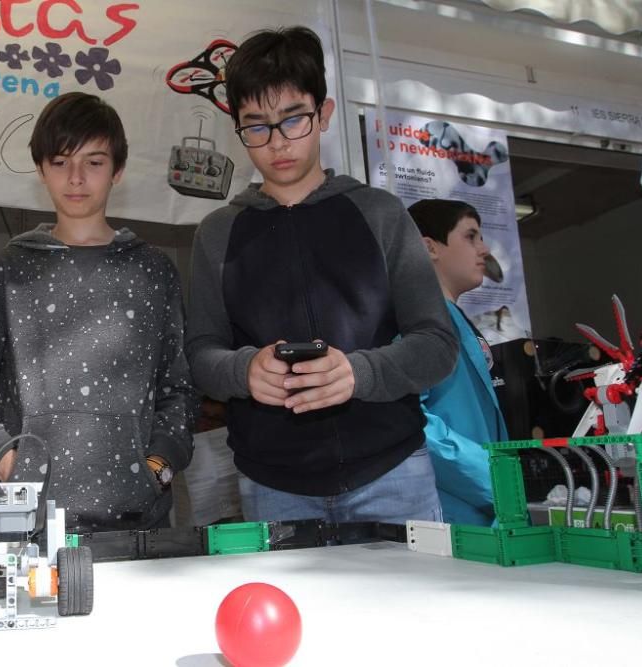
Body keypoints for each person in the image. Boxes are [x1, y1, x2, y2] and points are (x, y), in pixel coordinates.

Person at [185, 26, 458, 525]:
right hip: (271, 486)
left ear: (324, 114)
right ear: (239, 129)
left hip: (393, 473)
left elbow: (438, 343)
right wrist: (244, 371)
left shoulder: (380, 213)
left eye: (293, 120)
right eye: (257, 127)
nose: (277, 143)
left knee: (408, 608)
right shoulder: (218, 232)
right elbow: (201, 354)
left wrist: (360, 373)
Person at [0, 92, 196, 532]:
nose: (76, 178)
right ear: (41, 169)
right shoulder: (8, 271)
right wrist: (8, 465)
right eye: (61, 162)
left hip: (139, 525)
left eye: (94, 162)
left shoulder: (154, 272)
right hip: (28, 527)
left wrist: (157, 468)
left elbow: (178, 392)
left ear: (117, 171)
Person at [408, 198, 509, 526]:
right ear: (429, 247)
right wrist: (491, 478)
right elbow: (409, 417)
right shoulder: (413, 320)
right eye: (471, 237)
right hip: (451, 512)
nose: (484, 249)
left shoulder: (452, 318)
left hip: (484, 508)